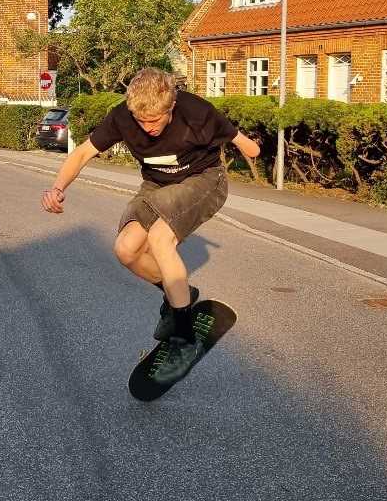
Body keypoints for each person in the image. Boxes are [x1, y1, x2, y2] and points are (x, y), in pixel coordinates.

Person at [41, 67, 260, 384]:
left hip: (204, 181)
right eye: (142, 121)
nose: (149, 128)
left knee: (160, 239)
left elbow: (244, 143)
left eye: (155, 120)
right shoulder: (123, 117)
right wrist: (58, 188)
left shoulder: (197, 112)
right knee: (126, 249)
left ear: (172, 106)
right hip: (157, 186)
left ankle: (184, 341)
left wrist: (250, 146)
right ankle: (180, 295)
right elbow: (83, 152)